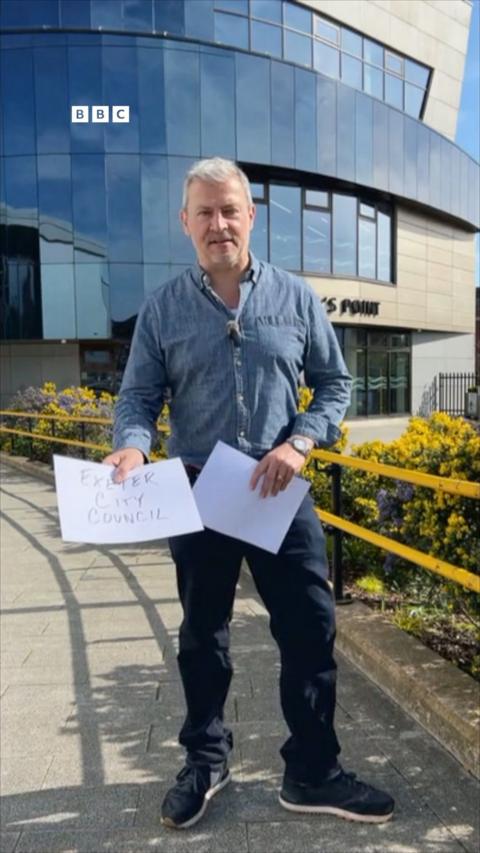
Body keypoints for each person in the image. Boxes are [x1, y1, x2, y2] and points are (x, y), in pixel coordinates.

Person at [104, 157, 395, 829]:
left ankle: (313, 770)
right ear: (185, 223)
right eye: (203, 212)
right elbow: (139, 397)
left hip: (276, 486)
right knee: (202, 637)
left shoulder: (294, 297)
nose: (217, 223)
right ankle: (205, 761)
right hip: (199, 490)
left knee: (312, 628)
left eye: (229, 209)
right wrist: (132, 442)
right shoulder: (164, 309)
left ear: (251, 215)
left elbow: (334, 383)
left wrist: (300, 441)